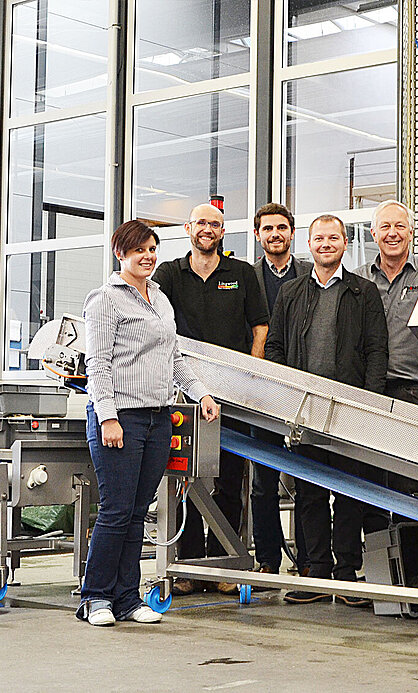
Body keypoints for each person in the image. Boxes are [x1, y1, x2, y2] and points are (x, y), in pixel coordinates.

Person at [78, 220, 220, 627]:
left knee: (139, 511)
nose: (148, 256)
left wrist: (200, 393)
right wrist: (108, 415)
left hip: (159, 418)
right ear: (119, 252)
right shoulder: (105, 299)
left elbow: (173, 357)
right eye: (139, 249)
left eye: (153, 248)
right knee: (116, 511)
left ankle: (126, 598)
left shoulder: (158, 297)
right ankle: (95, 597)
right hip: (120, 417)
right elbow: (98, 364)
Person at [264, 214, 388, 606]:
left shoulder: (364, 293)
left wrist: (368, 405)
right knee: (310, 492)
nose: (326, 244)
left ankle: (346, 574)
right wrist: (285, 397)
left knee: (350, 494)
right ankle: (315, 572)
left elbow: (375, 352)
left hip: (351, 408)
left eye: (333, 237)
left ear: (345, 243)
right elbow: (275, 347)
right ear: (310, 243)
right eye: (319, 238)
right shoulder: (291, 292)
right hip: (305, 409)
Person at [152, 203, 269, 596]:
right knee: (184, 477)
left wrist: (251, 374)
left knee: (229, 477)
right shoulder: (169, 273)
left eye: (216, 224)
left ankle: (222, 564)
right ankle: (186, 566)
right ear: (188, 228)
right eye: (202, 222)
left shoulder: (241, 274)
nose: (208, 229)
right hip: (182, 391)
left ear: (224, 231)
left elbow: (260, 325)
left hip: (231, 394)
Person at [249, 203, 313, 578]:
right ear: (258, 235)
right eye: (267, 228)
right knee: (263, 482)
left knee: (307, 480)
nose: (275, 234)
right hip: (261, 388)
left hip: (303, 385)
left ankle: (308, 560)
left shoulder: (310, 273)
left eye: (281, 228)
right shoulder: (247, 275)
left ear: (292, 233)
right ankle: (268, 559)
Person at [365, 201, 418, 518]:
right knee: (368, 484)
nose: (392, 234)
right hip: (367, 392)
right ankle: (376, 561)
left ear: (411, 231)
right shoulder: (359, 280)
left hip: (413, 391)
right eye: (385, 227)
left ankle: (415, 566)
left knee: (409, 486)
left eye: (399, 227)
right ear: (373, 233)